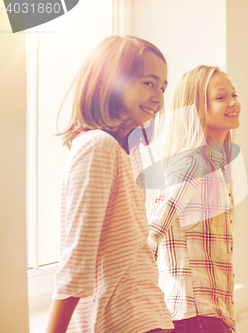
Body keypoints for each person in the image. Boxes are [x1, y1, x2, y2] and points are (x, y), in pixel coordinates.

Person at [46, 35, 174, 333]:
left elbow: (77, 260)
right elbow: (81, 260)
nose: (159, 97)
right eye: (149, 82)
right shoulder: (105, 148)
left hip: (126, 318)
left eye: (163, 87)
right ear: (110, 81)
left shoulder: (114, 149)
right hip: (141, 317)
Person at [147, 66, 241, 333]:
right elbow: (151, 234)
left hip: (208, 316)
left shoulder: (214, 165)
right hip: (193, 319)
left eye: (234, 94)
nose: (234, 102)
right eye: (221, 97)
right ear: (197, 107)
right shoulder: (192, 163)